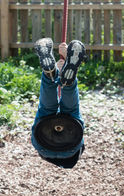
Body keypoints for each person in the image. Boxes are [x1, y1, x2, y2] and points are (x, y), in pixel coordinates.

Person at [31, 38, 86, 168]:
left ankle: (68, 82)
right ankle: (49, 74)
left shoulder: (73, 157)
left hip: (71, 142)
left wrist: (66, 58)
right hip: (43, 141)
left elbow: (81, 143)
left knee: (71, 111)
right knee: (46, 109)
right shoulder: (45, 154)